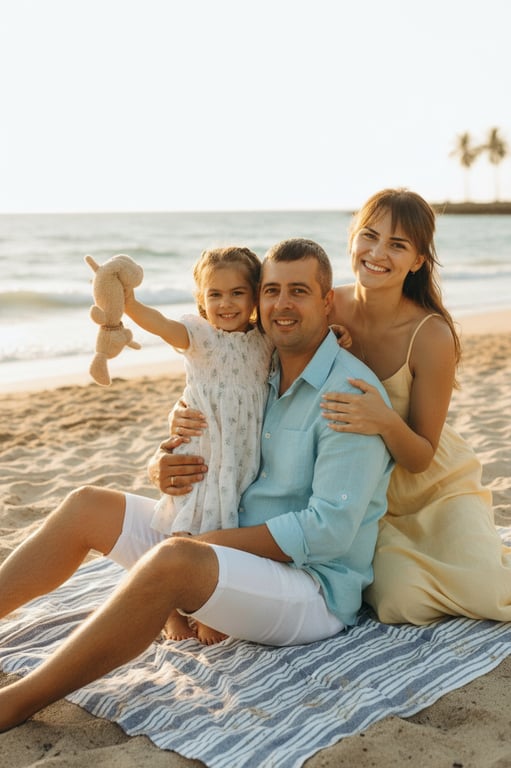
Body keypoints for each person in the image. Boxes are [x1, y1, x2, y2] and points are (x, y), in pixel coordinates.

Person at [0, 237, 393, 732]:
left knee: (174, 558)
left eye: (298, 291)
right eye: (271, 290)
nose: (281, 304)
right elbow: (213, 412)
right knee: (87, 505)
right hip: (226, 534)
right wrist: (161, 461)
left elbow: (327, 532)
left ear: (326, 299)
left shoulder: (348, 395)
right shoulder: (265, 365)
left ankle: (15, 702)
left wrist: (204, 543)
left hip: (311, 589)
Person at [319, 187, 511, 624]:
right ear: (352, 238)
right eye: (369, 235)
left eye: (398, 244)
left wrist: (385, 420)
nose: (377, 252)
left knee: (491, 591)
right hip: (370, 497)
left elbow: (423, 455)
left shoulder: (431, 334)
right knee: (398, 602)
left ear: (418, 261)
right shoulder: (329, 306)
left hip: (434, 486)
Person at [124, 246, 273, 643]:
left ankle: (211, 608)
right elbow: (158, 324)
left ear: (255, 295)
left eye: (238, 293)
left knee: (228, 530)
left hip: (241, 459)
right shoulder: (200, 336)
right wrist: (128, 303)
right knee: (187, 525)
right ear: (201, 300)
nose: (226, 303)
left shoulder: (265, 341)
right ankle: (171, 612)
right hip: (204, 452)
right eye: (215, 294)